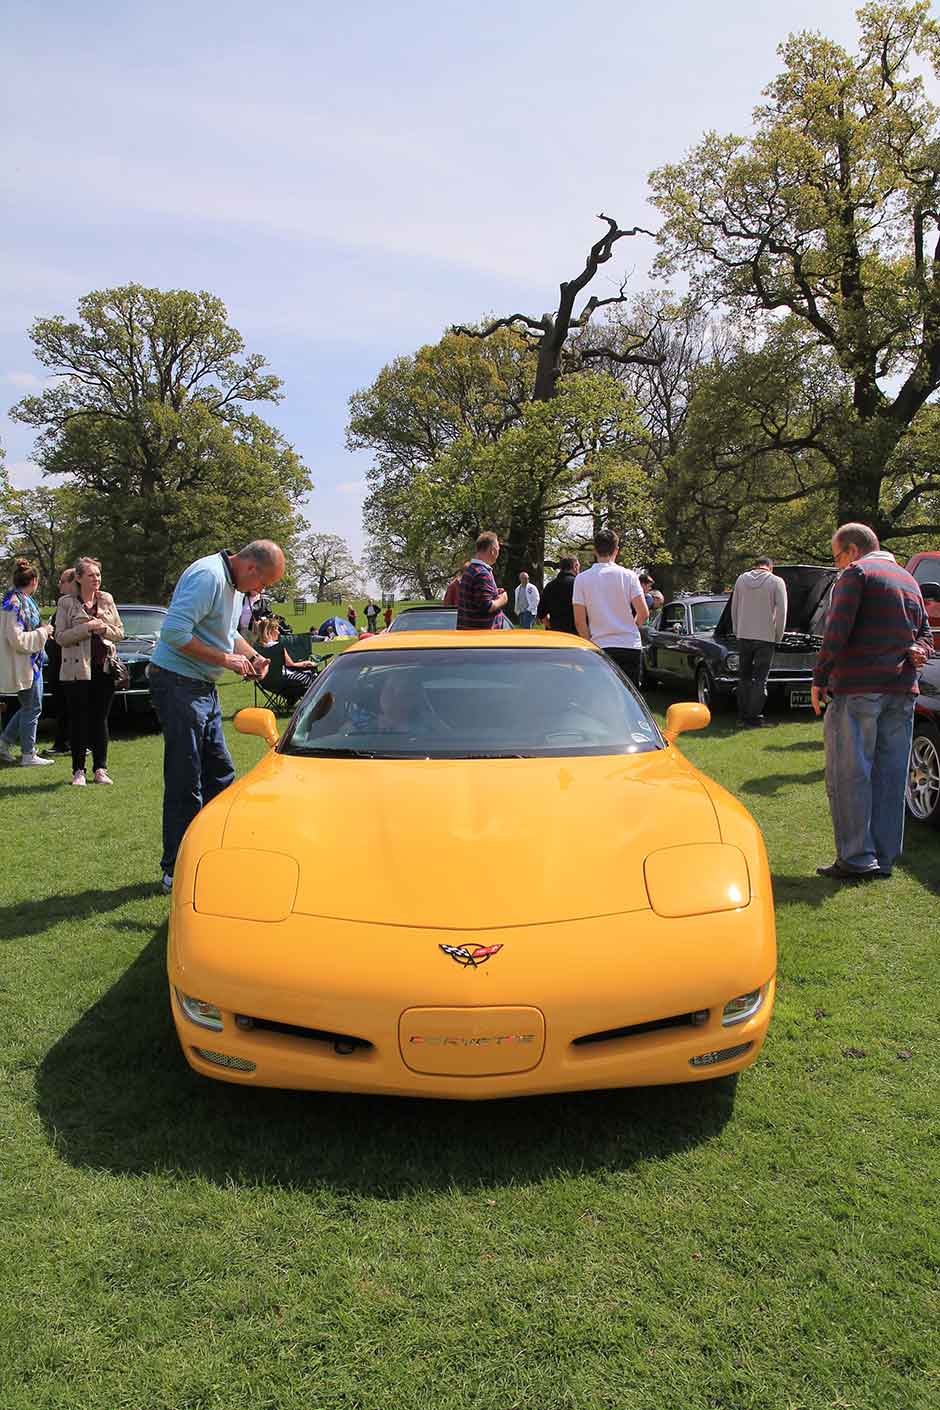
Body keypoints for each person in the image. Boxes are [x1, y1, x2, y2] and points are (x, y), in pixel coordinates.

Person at [149, 540, 285, 893]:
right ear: (251, 567)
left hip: (201, 687)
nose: (260, 591)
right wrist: (226, 660)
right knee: (186, 779)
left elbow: (227, 634)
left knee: (221, 774)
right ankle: (176, 869)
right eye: (263, 582)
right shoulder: (208, 576)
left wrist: (252, 656)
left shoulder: (234, 586)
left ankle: (215, 856)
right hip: (177, 683)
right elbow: (174, 633)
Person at [811, 522, 932, 881]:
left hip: (859, 688)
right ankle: (883, 855)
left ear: (852, 550)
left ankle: (857, 858)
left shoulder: (857, 573)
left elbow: (836, 630)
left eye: (837, 557)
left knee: (850, 774)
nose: (838, 565)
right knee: (891, 775)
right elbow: (925, 634)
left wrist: (819, 677)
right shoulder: (908, 580)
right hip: (902, 690)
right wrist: (920, 650)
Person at [56, 557, 125, 785]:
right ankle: (78, 771)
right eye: (91, 575)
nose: (96, 579)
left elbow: (119, 632)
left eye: (98, 574)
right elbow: (60, 637)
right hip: (76, 670)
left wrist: (103, 628)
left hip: (104, 669)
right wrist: (86, 628)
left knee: (100, 719)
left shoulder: (107, 599)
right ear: (78, 578)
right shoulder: (66, 603)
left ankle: (100, 769)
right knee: (79, 720)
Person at [572, 528, 648, 684]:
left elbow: (579, 622)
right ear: (616, 550)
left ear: (595, 550)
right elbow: (643, 612)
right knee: (628, 695)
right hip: (629, 645)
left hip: (600, 646)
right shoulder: (629, 576)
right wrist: (630, 627)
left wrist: (590, 644)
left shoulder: (582, 579)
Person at [0, 558, 55, 767]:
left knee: (28, 706)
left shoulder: (18, 600)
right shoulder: (15, 604)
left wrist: (42, 631)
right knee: (32, 707)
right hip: (24, 662)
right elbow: (17, 639)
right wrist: (43, 632)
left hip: (30, 662)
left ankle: (3, 744)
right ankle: (28, 754)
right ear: (34, 581)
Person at [730, 555, 788, 728]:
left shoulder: (741, 580)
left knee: (744, 677)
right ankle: (754, 717)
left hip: (744, 634)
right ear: (770, 567)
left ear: (755, 566)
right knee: (760, 679)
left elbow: (734, 607)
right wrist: (778, 636)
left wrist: (737, 630)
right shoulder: (776, 581)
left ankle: (742, 716)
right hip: (766, 636)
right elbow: (782, 611)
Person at [45, 566, 76, 754]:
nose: (59, 584)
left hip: (66, 663)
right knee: (62, 705)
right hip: (57, 663)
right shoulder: (62, 605)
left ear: (73, 583)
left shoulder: (72, 605)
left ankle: (68, 743)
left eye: (63, 581)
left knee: (68, 705)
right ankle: (64, 742)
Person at [255, 616, 319, 702]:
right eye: (276, 629)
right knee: (313, 679)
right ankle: (308, 702)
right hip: (283, 681)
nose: (278, 632)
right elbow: (291, 664)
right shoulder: (278, 646)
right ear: (270, 631)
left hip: (265, 682)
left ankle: (292, 698)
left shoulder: (257, 647)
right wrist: (307, 663)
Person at [456, 533, 508, 629]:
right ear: (492, 550)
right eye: (498, 549)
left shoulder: (471, 570)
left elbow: (477, 599)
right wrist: (503, 599)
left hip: (470, 632)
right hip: (482, 635)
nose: (498, 553)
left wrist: (495, 593)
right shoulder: (482, 574)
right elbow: (487, 607)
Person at [538, 557, 580, 635]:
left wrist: (549, 626)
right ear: (575, 566)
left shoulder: (550, 586)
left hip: (556, 631)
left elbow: (541, 613)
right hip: (575, 632)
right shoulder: (578, 585)